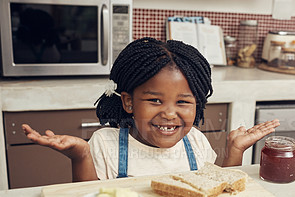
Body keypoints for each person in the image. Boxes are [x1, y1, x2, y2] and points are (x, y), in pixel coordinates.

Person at [22, 37, 279, 182]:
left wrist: (235, 150)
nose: (169, 114)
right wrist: (81, 157)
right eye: (155, 100)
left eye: (183, 102)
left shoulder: (195, 142)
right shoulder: (105, 143)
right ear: (129, 102)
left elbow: (220, 190)